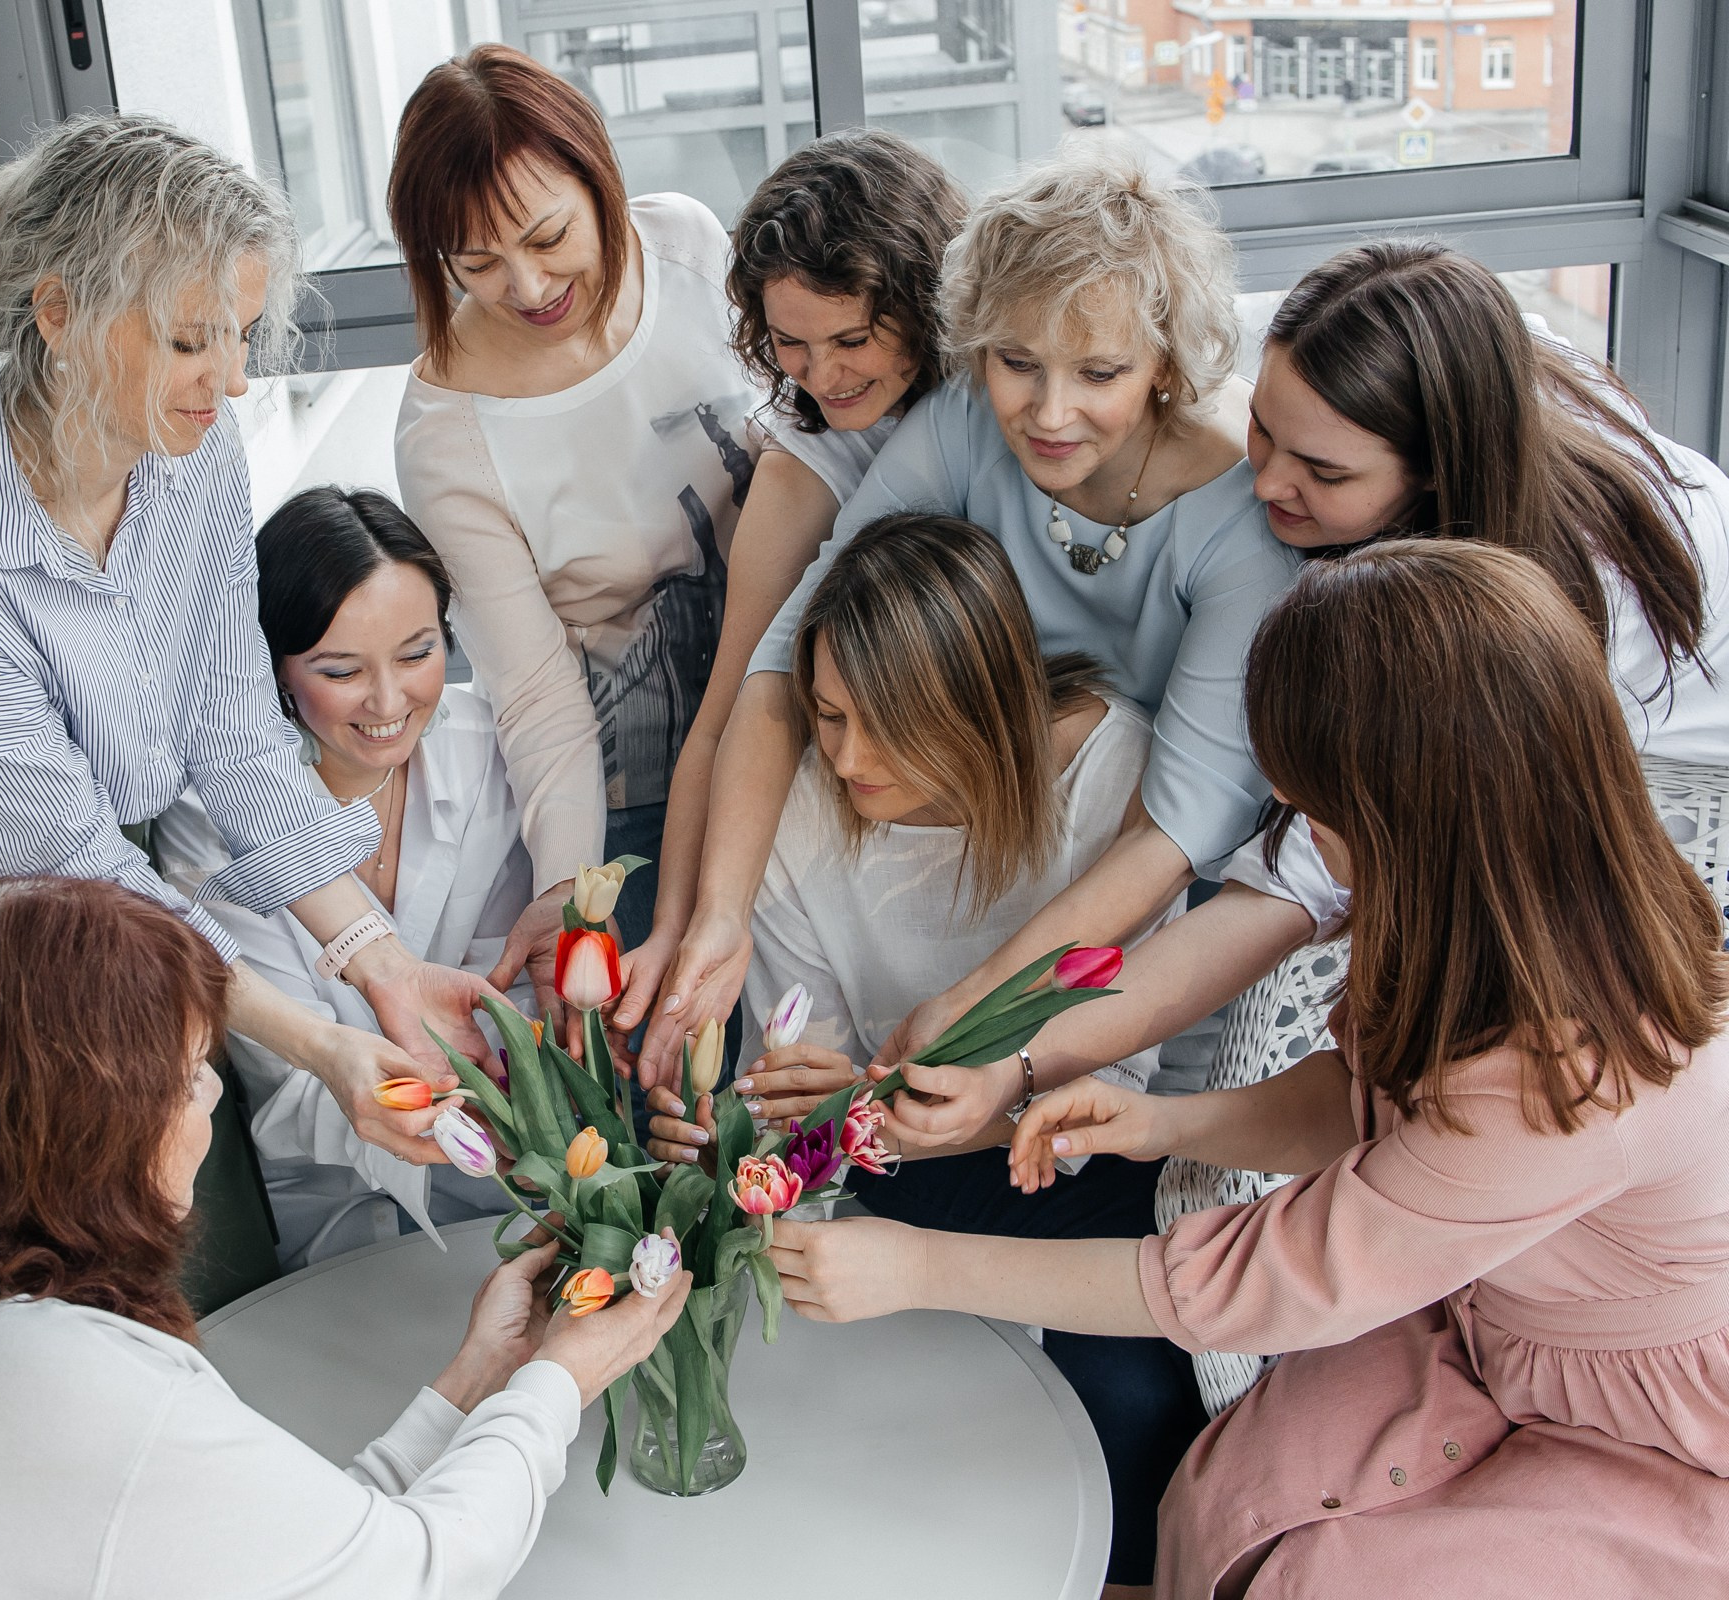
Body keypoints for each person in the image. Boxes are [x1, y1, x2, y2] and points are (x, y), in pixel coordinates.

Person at [766, 542, 1729, 1598]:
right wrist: (1164, 1124)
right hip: (1485, 1322)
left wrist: (915, 1266)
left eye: (1314, 802)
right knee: (1225, 1496)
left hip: (1652, 1425)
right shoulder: (1483, 918)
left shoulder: (1571, 1077)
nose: (1284, 809)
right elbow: (1363, 1104)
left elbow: (1270, 1276)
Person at [0, 115, 494, 1305]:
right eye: (190, 340)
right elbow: (62, 859)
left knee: (204, 1239)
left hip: (102, 867)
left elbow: (231, 735)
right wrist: (325, 1042)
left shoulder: (198, 458)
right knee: (34, 1263)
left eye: (237, 336)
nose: (230, 380)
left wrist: (380, 968)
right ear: (60, 312)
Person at [0, 874, 691, 1600]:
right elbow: (412, 1577)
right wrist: (559, 1381)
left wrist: (475, 1381)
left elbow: (310, 1552)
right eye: (183, 1078)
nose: (210, 1103)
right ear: (79, 1133)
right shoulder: (51, 1382)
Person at [640, 140, 1298, 1102]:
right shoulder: (958, 420)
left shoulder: (1242, 524)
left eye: (1100, 372)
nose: (1049, 412)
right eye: (1017, 361)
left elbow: (1175, 832)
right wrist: (722, 914)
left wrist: (979, 1008)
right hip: (983, 818)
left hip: (1143, 908)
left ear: (1165, 363)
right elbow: (791, 655)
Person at [1020, 239, 1729, 1096]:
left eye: (1322, 471)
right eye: (1263, 430)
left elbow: (1284, 894)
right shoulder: (1462, 359)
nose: (1265, 483)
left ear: (1435, 473)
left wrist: (1024, 1057)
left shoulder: (1527, 623)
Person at [645, 512, 1197, 1585]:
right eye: (826, 715)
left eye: (883, 724)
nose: (847, 757)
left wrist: (866, 1105)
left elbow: (1114, 1080)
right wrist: (766, 1134)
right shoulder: (804, 812)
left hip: (1087, 1166)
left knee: (1131, 1404)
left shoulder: (1111, 772)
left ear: (975, 702)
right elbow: (800, 1098)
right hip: (888, 1175)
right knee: (859, 1428)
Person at [389, 45, 762, 994]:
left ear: (599, 177)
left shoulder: (686, 247)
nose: (526, 286)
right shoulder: (447, 433)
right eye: (477, 263)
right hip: (630, 760)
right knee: (662, 1059)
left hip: (793, 678)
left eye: (550, 236)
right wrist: (567, 885)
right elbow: (534, 688)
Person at [632, 129, 971, 1041]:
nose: (823, 375)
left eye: (854, 338)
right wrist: (683, 924)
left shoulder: (1006, 404)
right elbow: (731, 712)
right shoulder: (799, 473)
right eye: (791, 343)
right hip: (867, 844)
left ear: (928, 304)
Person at [156, 487, 528, 1266]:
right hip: (322, 1211)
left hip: (504, 1187)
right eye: (341, 670)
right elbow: (285, 1077)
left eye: (418, 653)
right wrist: (422, 1111)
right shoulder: (207, 819)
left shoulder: (487, 749)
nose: (390, 701)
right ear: (274, 669)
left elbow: (510, 993)